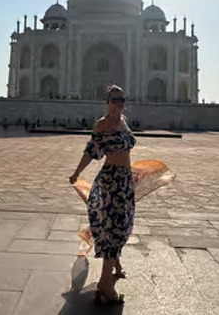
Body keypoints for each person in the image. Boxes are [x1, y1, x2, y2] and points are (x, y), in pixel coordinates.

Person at [69, 85, 134, 306]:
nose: (119, 103)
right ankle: (105, 283)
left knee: (122, 226)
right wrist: (77, 173)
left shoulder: (123, 122)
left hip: (124, 180)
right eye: (115, 100)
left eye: (122, 99)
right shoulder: (102, 124)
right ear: (107, 102)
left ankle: (115, 265)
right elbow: (90, 151)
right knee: (114, 228)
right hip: (111, 181)